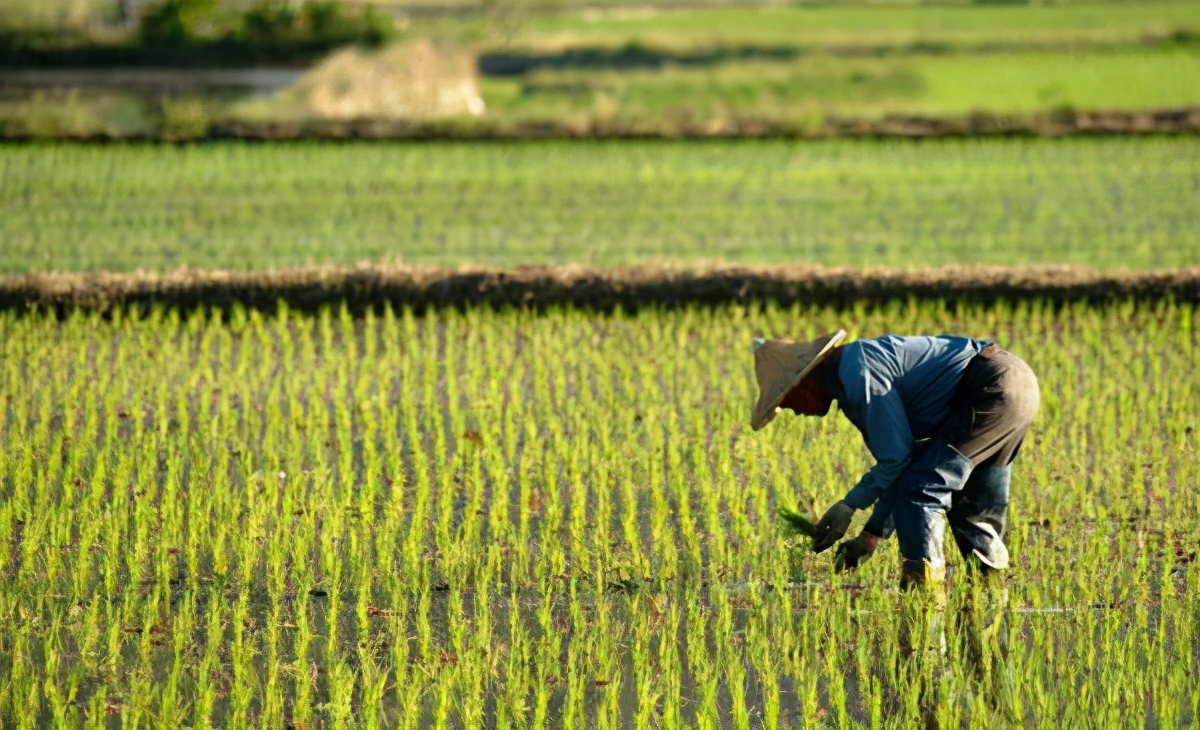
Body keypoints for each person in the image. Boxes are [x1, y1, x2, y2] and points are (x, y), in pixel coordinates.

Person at [750, 330, 1040, 592]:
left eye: (784, 400)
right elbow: (903, 464)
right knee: (970, 510)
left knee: (922, 491)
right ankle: (990, 597)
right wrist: (870, 536)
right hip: (1016, 384)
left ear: (804, 381)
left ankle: (924, 600)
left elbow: (896, 459)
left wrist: (849, 505)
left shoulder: (858, 372)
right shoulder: (853, 371)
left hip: (989, 387)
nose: (791, 409)